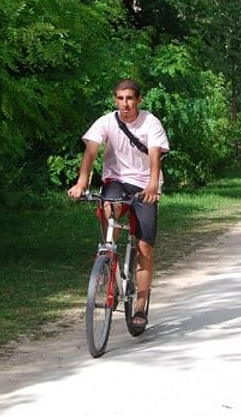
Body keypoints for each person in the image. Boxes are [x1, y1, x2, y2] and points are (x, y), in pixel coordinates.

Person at [68, 79, 170, 328]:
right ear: (115, 99)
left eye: (130, 98)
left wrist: (153, 185)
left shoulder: (150, 122)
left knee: (144, 247)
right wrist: (82, 182)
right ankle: (108, 258)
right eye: (120, 98)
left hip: (145, 183)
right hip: (117, 180)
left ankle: (140, 307)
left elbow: (155, 154)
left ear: (139, 100)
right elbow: (91, 151)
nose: (125, 104)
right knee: (107, 205)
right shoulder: (106, 121)